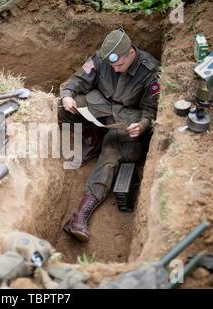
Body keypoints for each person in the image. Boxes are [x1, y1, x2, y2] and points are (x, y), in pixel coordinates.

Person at [58, 28, 160, 242]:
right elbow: (78, 79)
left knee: (111, 153)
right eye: (111, 65)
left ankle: (80, 217)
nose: (114, 69)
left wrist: (142, 126)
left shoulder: (151, 71)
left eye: (119, 65)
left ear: (131, 53)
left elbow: (152, 112)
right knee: (63, 108)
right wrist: (68, 95)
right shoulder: (100, 59)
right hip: (100, 106)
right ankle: (92, 140)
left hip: (125, 119)